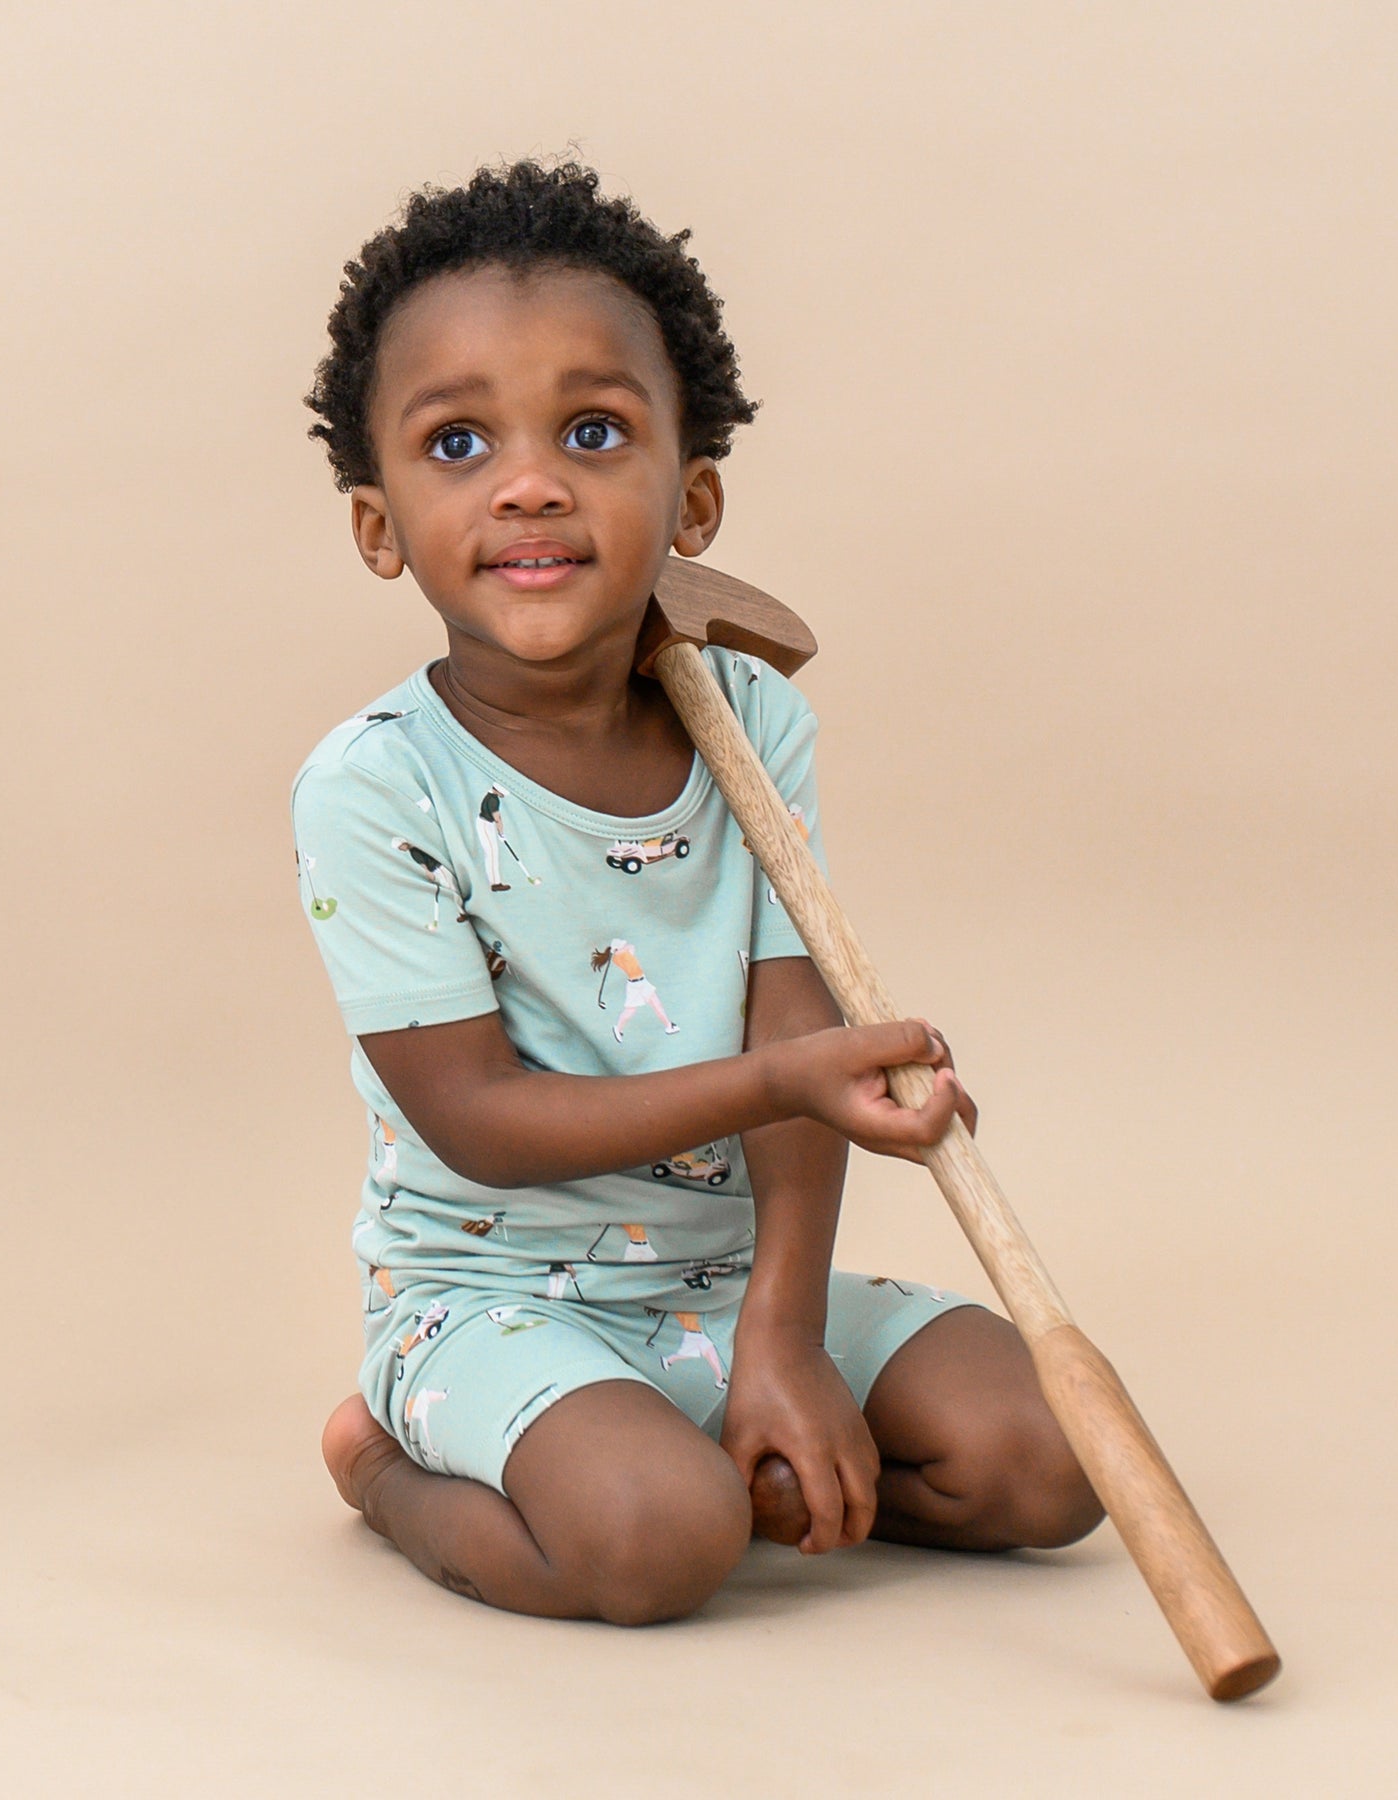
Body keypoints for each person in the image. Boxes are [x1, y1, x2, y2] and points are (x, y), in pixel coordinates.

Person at [292, 160, 1102, 1623]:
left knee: (1042, 1462)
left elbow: (797, 1034)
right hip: (492, 1304)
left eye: (593, 432)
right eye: (458, 442)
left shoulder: (747, 719)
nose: (530, 481)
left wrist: (784, 1343)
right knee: (658, 1542)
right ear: (379, 525)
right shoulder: (372, 788)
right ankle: (387, 1467)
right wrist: (786, 1077)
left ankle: (737, 1442)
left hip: (722, 1287)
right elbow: (475, 1121)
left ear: (694, 495)